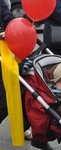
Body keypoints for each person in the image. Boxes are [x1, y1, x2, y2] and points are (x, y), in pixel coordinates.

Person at [0, 0, 32, 140]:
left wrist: (15, 29)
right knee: (4, 96)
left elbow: (7, 17)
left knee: (23, 88)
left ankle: (23, 126)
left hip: (4, 51)